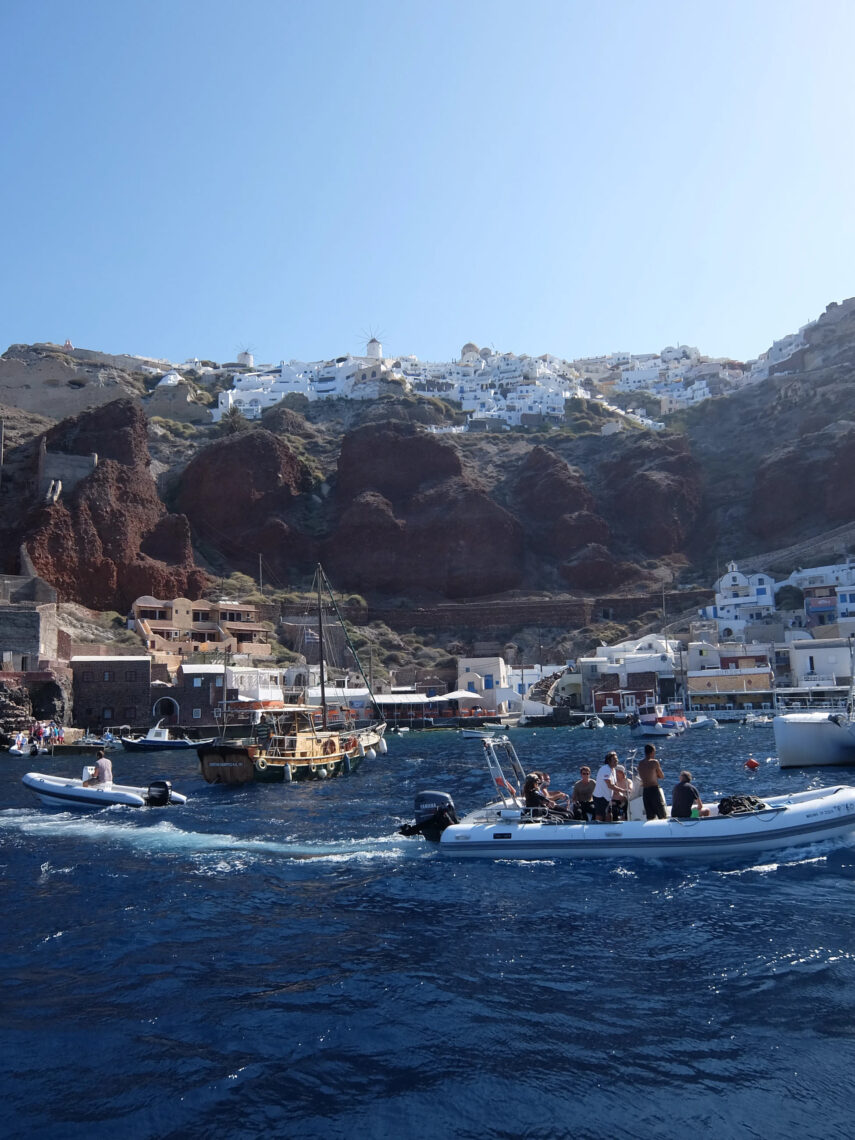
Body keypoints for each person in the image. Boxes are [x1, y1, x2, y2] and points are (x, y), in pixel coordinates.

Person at [638, 743, 667, 820]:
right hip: (654, 790)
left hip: (645, 792)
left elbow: (643, 776)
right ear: (652, 752)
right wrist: (655, 774)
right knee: (662, 815)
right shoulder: (654, 762)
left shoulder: (640, 763)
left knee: (650, 816)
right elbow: (662, 776)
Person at [593, 751, 621, 821]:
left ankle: (609, 828)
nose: (616, 761)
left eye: (617, 760)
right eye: (614, 760)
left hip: (607, 797)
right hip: (600, 797)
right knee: (600, 815)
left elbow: (614, 784)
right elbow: (610, 785)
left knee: (609, 814)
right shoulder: (605, 769)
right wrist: (623, 790)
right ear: (609, 761)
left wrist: (620, 794)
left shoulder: (613, 770)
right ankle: (597, 828)